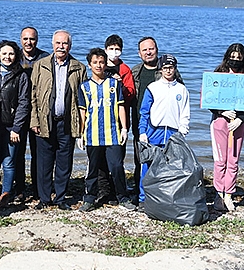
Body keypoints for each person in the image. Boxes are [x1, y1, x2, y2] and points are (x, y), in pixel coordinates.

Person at [30, 30, 87, 210]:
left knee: (64, 162)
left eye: (65, 44)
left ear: (70, 46)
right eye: (58, 43)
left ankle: (61, 198)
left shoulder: (79, 68)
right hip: (45, 121)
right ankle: (44, 198)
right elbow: (32, 95)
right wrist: (34, 121)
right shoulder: (40, 65)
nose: (61, 47)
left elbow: (83, 99)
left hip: (67, 121)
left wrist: (81, 127)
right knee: (44, 162)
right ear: (52, 44)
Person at [77, 48, 135, 212]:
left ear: (105, 64)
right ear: (89, 65)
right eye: (95, 62)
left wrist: (124, 128)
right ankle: (89, 198)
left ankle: (123, 197)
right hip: (92, 134)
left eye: (101, 62)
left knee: (116, 166)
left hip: (113, 134)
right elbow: (82, 112)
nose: (98, 65)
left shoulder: (114, 84)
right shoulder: (84, 87)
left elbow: (121, 106)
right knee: (93, 169)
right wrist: (80, 134)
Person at [0, 41, 31, 209]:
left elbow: (24, 103)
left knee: (9, 163)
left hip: (12, 127)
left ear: (16, 55)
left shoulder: (21, 76)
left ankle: (6, 195)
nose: (7, 57)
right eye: (4, 53)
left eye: (11, 54)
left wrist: (17, 127)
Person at [138, 54, 190, 209]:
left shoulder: (181, 89)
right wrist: (143, 132)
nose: (168, 71)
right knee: (148, 167)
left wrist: (183, 130)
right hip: (154, 131)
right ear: (160, 69)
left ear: (175, 69)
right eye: (165, 67)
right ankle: (143, 198)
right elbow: (144, 112)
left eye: (171, 67)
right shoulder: (152, 88)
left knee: (171, 168)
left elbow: (185, 113)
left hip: (173, 133)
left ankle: (165, 199)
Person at [210, 43, 244, 212]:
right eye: (232, 57)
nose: (234, 60)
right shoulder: (218, 73)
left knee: (233, 160)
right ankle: (218, 194)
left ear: (243, 59)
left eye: (238, 58)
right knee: (220, 160)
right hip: (219, 122)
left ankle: (229, 194)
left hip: (238, 125)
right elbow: (208, 97)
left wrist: (242, 118)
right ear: (227, 56)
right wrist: (221, 111)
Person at [14, 27, 49, 203]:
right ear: (21, 39)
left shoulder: (45, 58)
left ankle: (38, 188)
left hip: (38, 113)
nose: (29, 42)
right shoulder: (14, 57)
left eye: (32, 39)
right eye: (25, 39)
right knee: (17, 153)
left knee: (39, 153)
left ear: (37, 40)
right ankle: (19, 188)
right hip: (18, 113)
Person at [130, 37, 162, 206]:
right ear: (139, 53)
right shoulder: (135, 71)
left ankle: (159, 195)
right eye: (144, 50)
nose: (148, 52)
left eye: (151, 49)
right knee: (140, 160)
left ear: (157, 49)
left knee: (161, 160)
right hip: (140, 123)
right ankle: (139, 193)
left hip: (162, 125)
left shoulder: (166, 69)